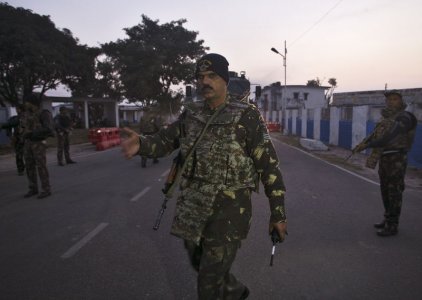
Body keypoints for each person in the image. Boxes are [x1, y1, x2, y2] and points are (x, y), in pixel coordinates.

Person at [121, 53, 287, 299]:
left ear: (224, 80)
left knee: (207, 281)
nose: (204, 82)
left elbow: (269, 167)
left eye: (211, 76)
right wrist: (142, 145)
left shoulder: (246, 116)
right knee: (198, 260)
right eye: (200, 77)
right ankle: (233, 289)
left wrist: (278, 214)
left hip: (230, 211)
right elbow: (166, 141)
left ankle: (224, 288)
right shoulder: (191, 114)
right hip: (193, 206)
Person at [353, 90, 417, 237]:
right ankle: (387, 218)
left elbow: (389, 137)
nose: (391, 102)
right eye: (389, 99)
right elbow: (375, 135)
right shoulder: (385, 119)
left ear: (401, 101)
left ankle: (393, 225)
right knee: (385, 191)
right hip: (385, 158)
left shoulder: (405, 117)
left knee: (394, 192)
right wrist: (364, 143)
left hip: (397, 159)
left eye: (394, 99)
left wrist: (368, 145)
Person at [20, 95, 55, 199]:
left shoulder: (44, 113)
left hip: (38, 143)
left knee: (41, 167)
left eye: (26, 102)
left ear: (31, 103)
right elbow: (23, 127)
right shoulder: (27, 114)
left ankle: (46, 189)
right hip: (28, 143)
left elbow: (48, 129)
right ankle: (33, 188)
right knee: (29, 167)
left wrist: (31, 133)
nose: (25, 104)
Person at [1, 104, 25, 175]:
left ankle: (28, 167)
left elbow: (11, 124)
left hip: (27, 139)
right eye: (17, 109)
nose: (17, 111)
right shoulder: (14, 118)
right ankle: (20, 169)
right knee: (19, 155)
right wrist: (10, 136)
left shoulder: (25, 117)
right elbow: (9, 125)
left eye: (18, 109)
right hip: (18, 139)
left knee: (27, 155)